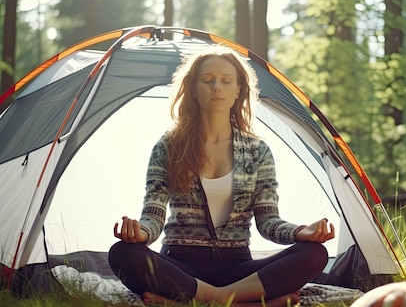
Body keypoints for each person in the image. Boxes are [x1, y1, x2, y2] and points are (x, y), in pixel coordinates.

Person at [108, 44, 335, 307]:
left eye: (227, 81)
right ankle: (242, 302)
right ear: (193, 89)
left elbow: (268, 221)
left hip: (237, 268)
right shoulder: (168, 147)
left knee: (314, 254)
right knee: (122, 254)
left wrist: (300, 232)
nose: (217, 86)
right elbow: (153, 217)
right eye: (207, 80)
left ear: (238, 90)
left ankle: (197, 301)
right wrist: (140, 233)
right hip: (181, 266)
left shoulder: (258, 151)